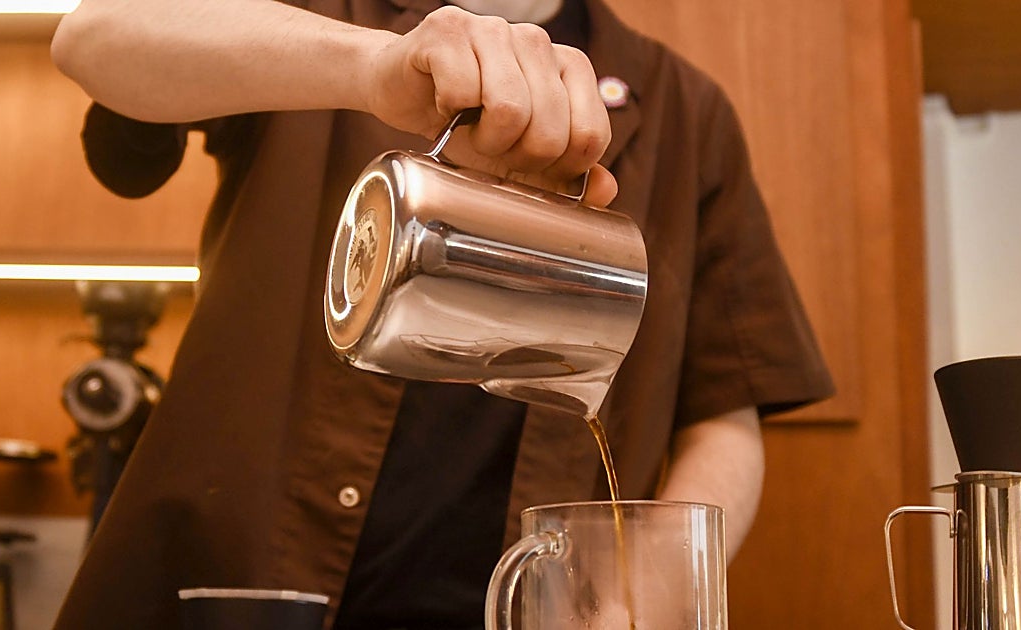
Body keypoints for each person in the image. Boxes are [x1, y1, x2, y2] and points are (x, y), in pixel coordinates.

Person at [50, 0, 834, 628]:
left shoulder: (682, 108)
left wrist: (644, 594)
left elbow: (724, 419)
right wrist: (374, 64)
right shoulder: (317, 18)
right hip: (243, 595)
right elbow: (95, 34)